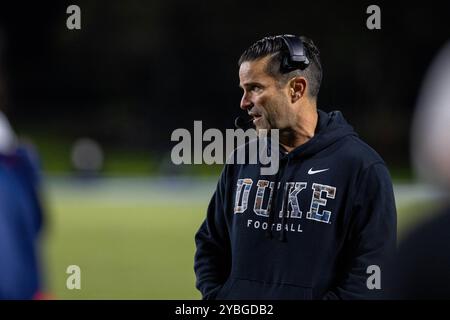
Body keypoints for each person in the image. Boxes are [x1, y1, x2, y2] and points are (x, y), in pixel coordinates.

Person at [194, 35, 397, 300]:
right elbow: (210, 245)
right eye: (243, 90)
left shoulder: (362, 168)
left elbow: (371, 275)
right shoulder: (242, 160)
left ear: (296, 89)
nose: (244, 102)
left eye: (254, 88)